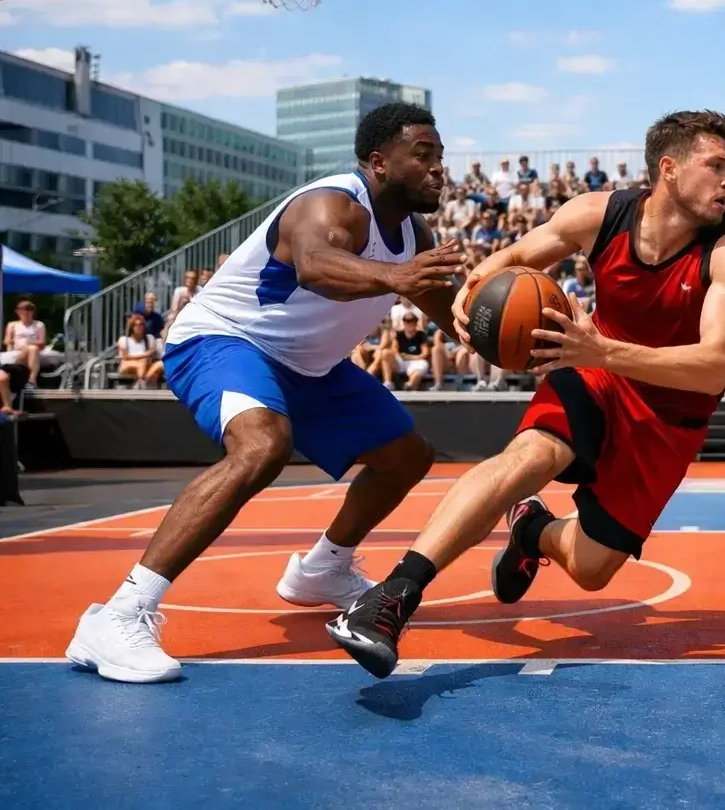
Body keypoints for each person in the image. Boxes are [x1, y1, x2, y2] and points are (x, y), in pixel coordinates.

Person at [326, 111, 725, 679]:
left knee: (592, 569)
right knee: (529, 457)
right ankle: (391, 597)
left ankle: (530, 528)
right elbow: (510, 259)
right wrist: (470, 296)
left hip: (668, 409)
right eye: (717, 166)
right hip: (595, 374)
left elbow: (713, 368)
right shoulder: (598, 215)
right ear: (670, 168)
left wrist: (600, 350)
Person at [65, 103, 465, 684]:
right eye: (423, 155)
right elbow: (315, 265)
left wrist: (531, 340)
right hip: (225, 339)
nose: (438, 169)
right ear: (379, 162)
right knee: (261, 447)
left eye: (440, 156)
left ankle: (322, 570)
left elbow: (455, 318)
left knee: (406, 456)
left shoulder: (414, 235)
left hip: (310, 366)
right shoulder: (331, 203)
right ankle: (119, 614)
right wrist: (394, 277)